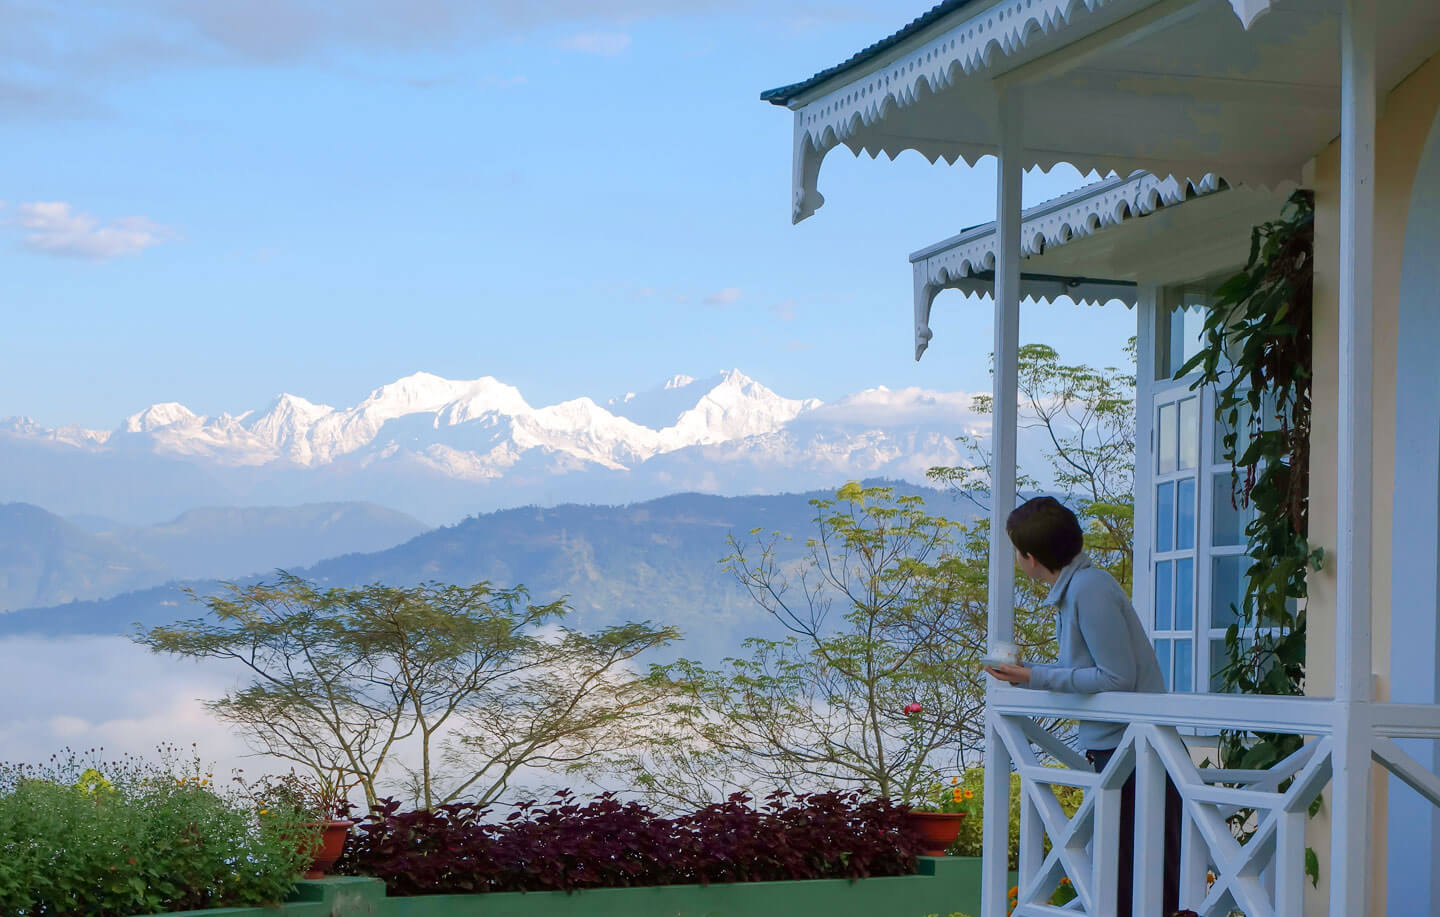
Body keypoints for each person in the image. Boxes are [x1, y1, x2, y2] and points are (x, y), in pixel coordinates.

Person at [985, 495, 1182, 917]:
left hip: (1136, 753)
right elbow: (1092, 669)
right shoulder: (1079, 587)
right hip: (1120, 751)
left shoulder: (1089, 590)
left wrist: (1034, 677)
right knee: (1123, 876)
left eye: (1017, 552)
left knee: (1141, 880)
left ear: (1030, 557)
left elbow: (1116, 678)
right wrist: (1032, 673)